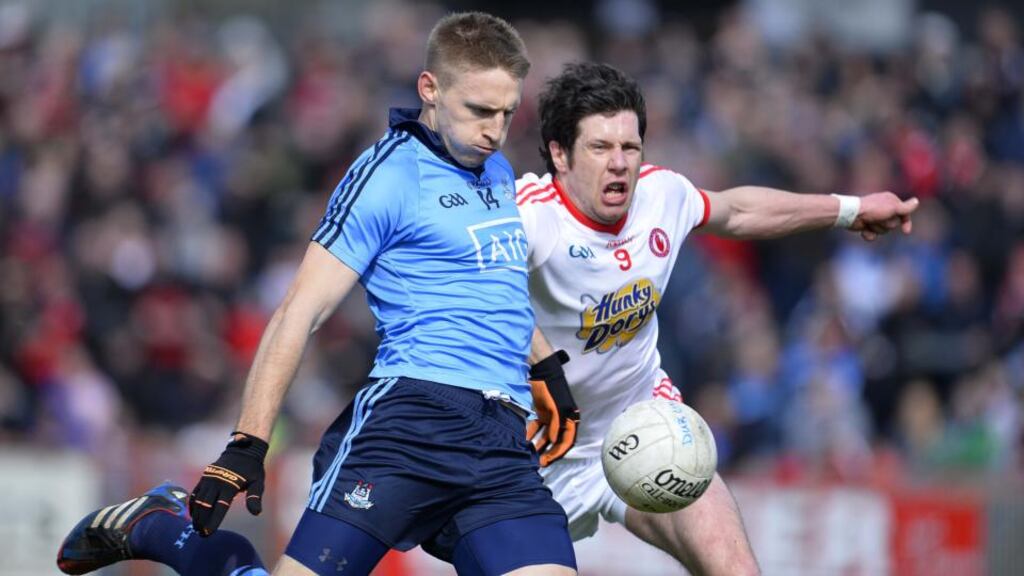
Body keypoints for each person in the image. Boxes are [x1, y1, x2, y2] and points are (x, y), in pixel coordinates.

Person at [56, 12, 578, 576]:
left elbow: (489, 283)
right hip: (410, 425)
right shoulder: (388, 175)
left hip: (501, 440)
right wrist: (247, 444)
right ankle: (168, 530)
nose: (495, 131)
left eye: (506, 112)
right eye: (480, 110)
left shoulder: (497, 169)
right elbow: (298, 310)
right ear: (430, 88)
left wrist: (545, 364)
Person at [516, 62, 919, 575]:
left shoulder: (662, 196)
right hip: (537, 460)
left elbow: (737, 210)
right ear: (559, 154)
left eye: (630, 148)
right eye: (599, 148)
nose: (619, 164)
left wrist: (849, 209)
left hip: (644, 425)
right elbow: (460, 282)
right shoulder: (527, 216)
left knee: (736, 569)